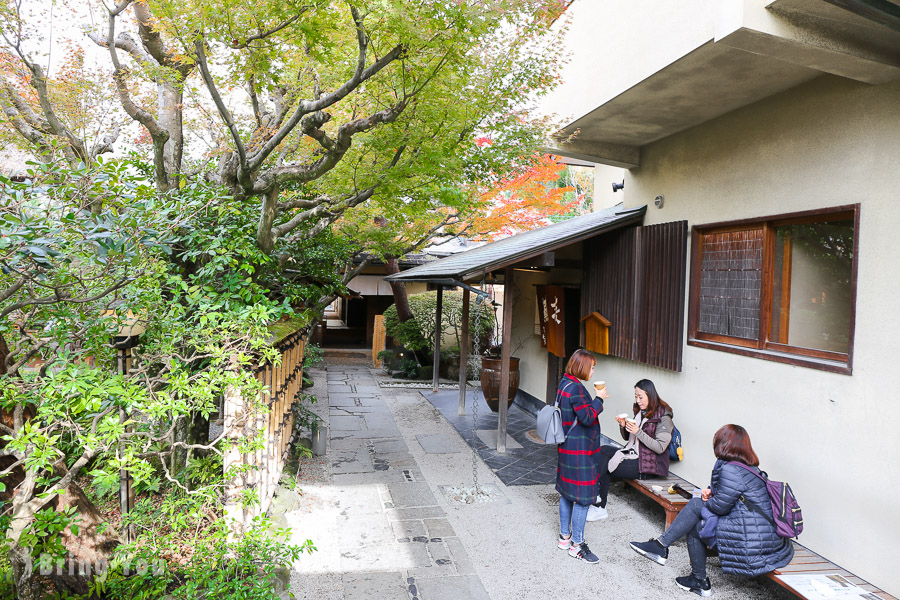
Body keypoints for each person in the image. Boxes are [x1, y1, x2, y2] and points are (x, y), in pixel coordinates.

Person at [629, 424, 794, 597]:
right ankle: (693, 577)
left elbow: (720, 508)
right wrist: (712, 493)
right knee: (696, 522)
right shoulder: (748, 467)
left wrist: (709, 499)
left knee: (695, 507)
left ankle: (664, 549)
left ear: (724, 444)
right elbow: (734, 499)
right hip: (763, 536)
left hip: (753, 541)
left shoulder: (731, 469)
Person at [587, 379, 673, 521]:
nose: (638, 400)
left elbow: (660, 447)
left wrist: (638, 431)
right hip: (635, 455)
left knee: (606, 465)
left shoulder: (664, 417)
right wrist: (623, 426)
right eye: (636, 397)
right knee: (603, 451)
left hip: (651, 466)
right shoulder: (642, 412)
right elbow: (629, 439)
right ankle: (596, 497)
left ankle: (599, 506)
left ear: (650, 396)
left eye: (641, 397)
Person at [555, 349, 608, 564]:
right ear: (583, 367)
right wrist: (599, 399)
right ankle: (577, 545)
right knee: (584, 498)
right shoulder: (576, 389)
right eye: (592, 367)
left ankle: (564, 537)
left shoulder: (564, 383)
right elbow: (586, 417)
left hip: (567, 447)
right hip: (580, 451)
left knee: (567, 493)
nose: (594, 370)